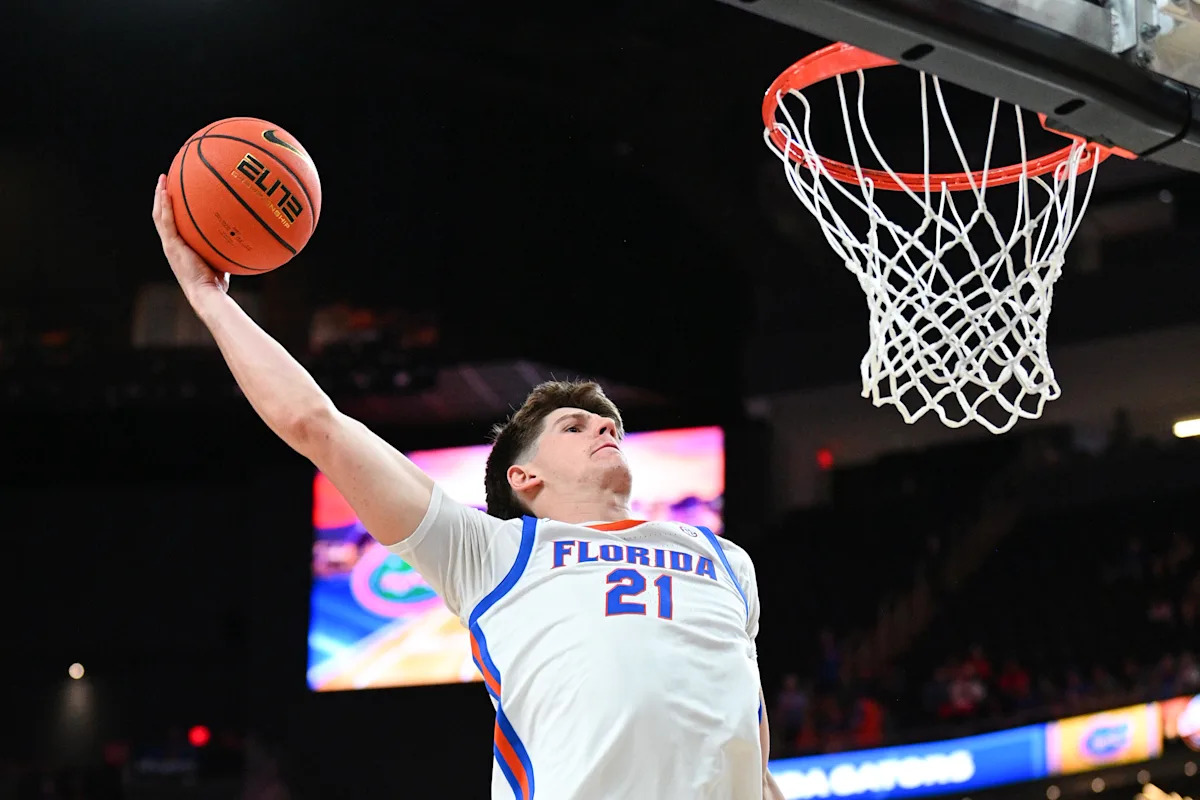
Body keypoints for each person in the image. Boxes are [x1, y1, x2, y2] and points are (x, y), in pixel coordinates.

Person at [150, 176, 785, 800]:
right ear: (523, 475)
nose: (603, 425)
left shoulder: (726, 562)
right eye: (574, 424)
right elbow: (315, 424)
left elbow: (749, 754)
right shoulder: (490, 553)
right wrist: (208, 298)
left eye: (607, 422)